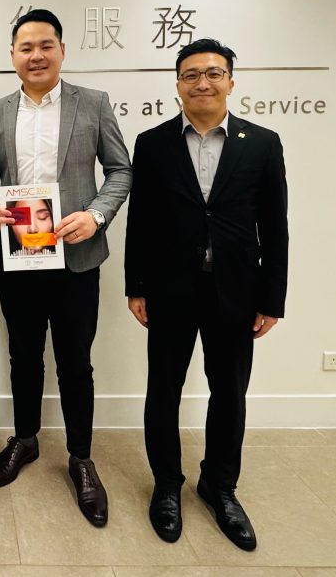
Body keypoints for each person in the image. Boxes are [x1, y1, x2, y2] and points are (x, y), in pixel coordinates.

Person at [124, 38, 288, 551]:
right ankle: (166, 485)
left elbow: (275, 226)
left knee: (230, 393)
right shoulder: (153, 143)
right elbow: (140, 221)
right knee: (163, 390)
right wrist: (136, 286)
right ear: (177, 85)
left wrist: (272, 299)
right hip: (169, 288)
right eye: (191, 74)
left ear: (231, 82)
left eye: (214, 73)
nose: (203, 83)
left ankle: (220, 486)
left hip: (236, 291)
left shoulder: (261, 143)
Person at [0, 9, 132, 527]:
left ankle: (81, 458)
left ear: (62, 50)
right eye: (26, 47)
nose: (36, 55)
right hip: (19, 255)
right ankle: (25, 439)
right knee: (23, 356)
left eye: (46, 45)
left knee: (75, 362)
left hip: (77, 258)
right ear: (12, 55)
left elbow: (121, 170)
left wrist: (96, 215)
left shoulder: (94, 103)